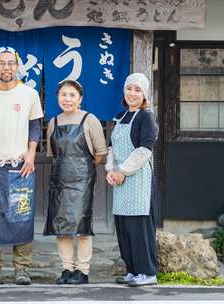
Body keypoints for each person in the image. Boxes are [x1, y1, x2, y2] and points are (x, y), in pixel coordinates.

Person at [0, 46, 44, 286]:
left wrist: (31, 154)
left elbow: (35, 127)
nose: (6, 67)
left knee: (21, 216)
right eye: (1, 63)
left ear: (17, 65)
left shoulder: (29, 94)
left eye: (10, 63)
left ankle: (21, 268)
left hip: (20, 166)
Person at [44, 80, 107, 285]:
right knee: (61, 226)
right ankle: (66, 268)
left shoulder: (90, 119)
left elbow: (100, 153)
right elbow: (53, 154)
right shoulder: (53, 122)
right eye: (63, 94)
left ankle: (82, 270)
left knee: (81, 226)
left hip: (82, 180)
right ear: (57, 97)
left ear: (80, 98)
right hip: (59, 181)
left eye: (72, 95)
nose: (67, 99)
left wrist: (83, 169)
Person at [105, 73, 159, 287]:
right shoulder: (120, 116)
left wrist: (122, 171)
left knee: (140, 229)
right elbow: (111, 148)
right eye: (129, 89)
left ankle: (147, 272)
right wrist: (110, 169)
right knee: (124, 227)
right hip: (119, 180)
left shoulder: (146, 117)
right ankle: (132, 270)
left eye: (138, 90)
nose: (132, 93)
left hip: (137, 180)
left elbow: (145, 150)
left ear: (144, 94)